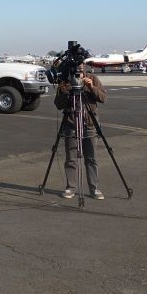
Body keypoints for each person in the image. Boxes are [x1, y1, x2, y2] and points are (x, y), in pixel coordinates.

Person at [54, 63, 107, 199]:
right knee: (71, 159)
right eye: (77, 66)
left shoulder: (93, 78)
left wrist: (91, 87)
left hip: (89, 125)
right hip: (71, 125)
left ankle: (94, 188)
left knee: (91, 158)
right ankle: (70, 188)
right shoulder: (65, 81)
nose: (79, 68)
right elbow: (58, 104)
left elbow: (103, 98)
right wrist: (68, 89)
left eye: (81, 65)